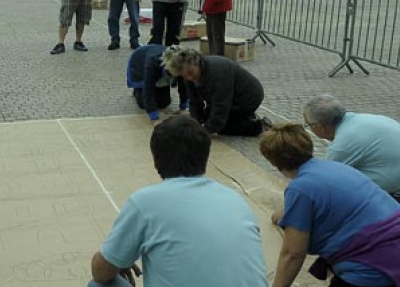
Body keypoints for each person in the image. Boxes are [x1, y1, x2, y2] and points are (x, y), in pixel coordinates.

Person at [89, 116, 268, 287]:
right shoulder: (235, 199)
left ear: (156, 160)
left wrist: (118, 259)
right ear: (205, 156)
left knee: (98, 284)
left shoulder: (145, 203)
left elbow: (101, 272)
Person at [260, 124, 400, 287]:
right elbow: (338, 204)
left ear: (274, 162)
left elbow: (293, 253)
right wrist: (289, 215)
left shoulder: (300, 188)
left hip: (382, 265)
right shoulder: (337, 168)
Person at [302, 94, 400, 235]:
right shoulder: (366, 119)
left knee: (347, 198)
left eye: (308, 125)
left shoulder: (343, 144)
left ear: (319, 127)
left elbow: (323, 184)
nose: (308, 128)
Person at [162, 47, 269, 136]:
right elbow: (194, 101)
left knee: (221, 127)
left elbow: (221, 105)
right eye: (184, 76)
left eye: (190, 72)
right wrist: (195, 124)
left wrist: (206, 131)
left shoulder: (217, 72)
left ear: (196, 62)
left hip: (248, 98)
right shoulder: (189, 75)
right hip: (226, 97)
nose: (189, 78)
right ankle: (243, 118)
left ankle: (258, 126)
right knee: (206, 118)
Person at [126, 44, 187, 125]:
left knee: (164, 103)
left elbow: (184, 85)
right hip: (140, 62)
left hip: (160, 69)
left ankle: (157, 89)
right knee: (143, 104)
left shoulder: (182, 64)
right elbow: (148, 88)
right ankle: (137, 90)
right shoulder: (153, 63)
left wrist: (183, 107)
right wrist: (154, 118)